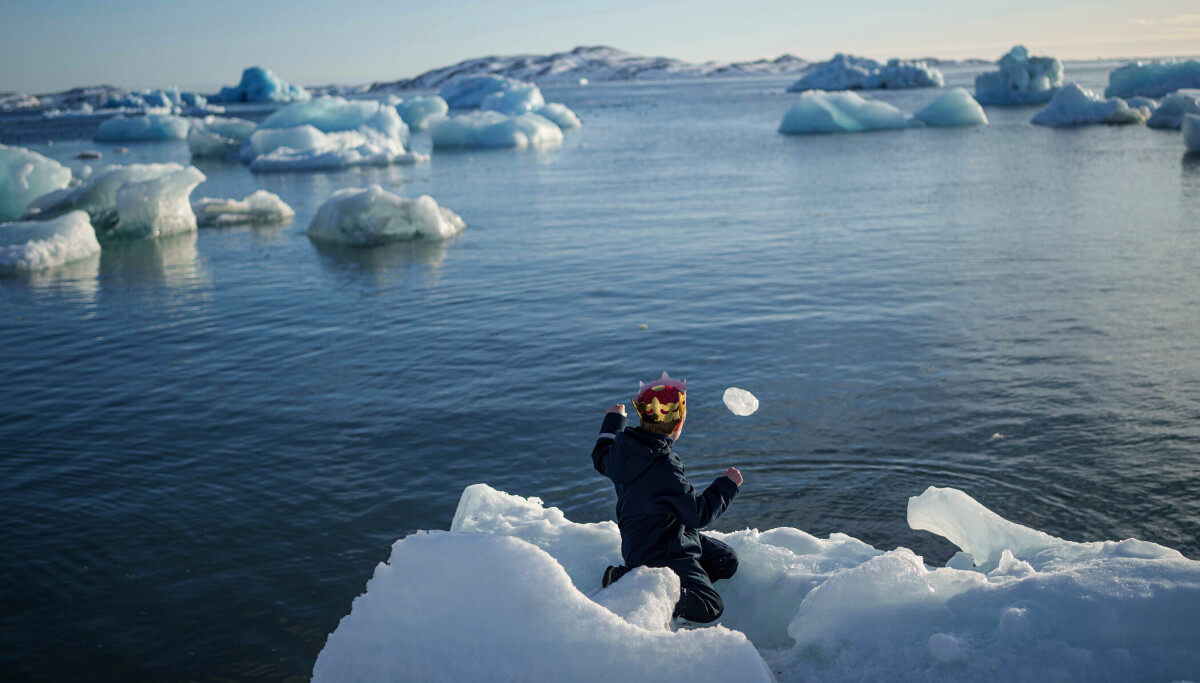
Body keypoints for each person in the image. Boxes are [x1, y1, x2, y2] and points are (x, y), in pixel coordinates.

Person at [591, 371, 743, 624]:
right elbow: (697, 514)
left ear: (642, 416)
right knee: (711, 606)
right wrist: (727, 486)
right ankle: (631, 581)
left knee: (726, 561)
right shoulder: (664, 467)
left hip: (663, 536)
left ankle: (681, 583)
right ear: (679, 424)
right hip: (660, 552)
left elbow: (600, 456)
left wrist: (614, 420)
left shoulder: (622, 451)